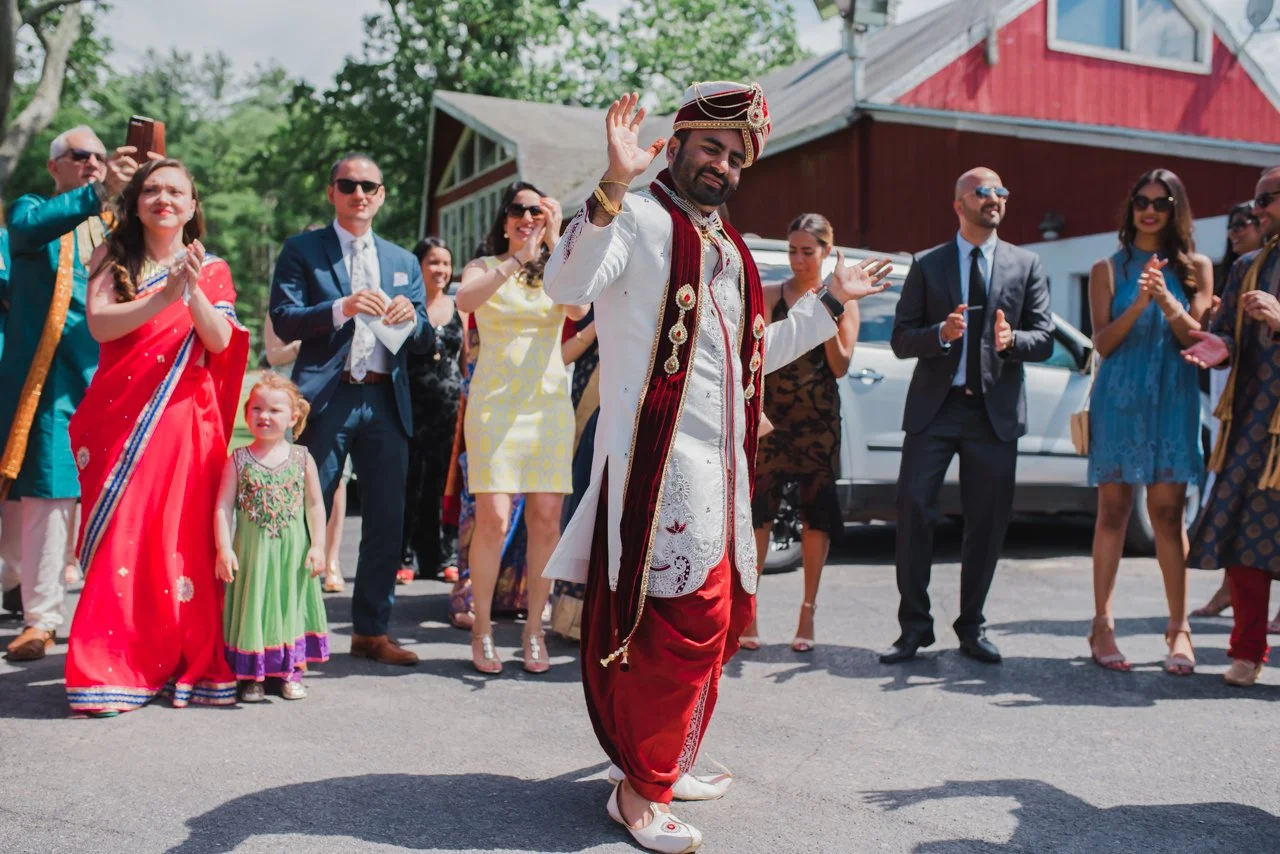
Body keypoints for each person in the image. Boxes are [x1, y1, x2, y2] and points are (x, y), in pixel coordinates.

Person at [543, 85, 892, 853]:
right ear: (677, 145)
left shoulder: (730, 246)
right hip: (659, 468)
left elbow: (752, 355)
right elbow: (563, 287)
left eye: (737, 157)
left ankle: (661, 763)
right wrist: (611, 184)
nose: (724, 164)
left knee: (719, 622)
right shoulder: (636, 216)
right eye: (712, 147)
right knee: (678, 629)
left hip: (722, 469)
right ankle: (640, 795)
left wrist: (831, 300)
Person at [65, 158, 249, 713]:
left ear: (194, 206)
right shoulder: (110, 255)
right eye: (152, 190)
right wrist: (163, 296)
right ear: (135, 201)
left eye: (176, 191)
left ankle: (173, 659)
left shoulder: (211, 268)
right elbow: (100, 323)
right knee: (124, 533)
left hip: (181, 420)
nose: (163, 199)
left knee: (175, 540)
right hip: (119, 417)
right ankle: (108, 667)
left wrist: (190, 291)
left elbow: (219, 342)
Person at [882, 167, 1054, 666]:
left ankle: (972, 627)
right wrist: (940, 334)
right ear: (959, 203)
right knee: (914, 508)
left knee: (987, 522)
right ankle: (914, 627)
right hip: (936, 410)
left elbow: (1042, 339)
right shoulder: (928, 265)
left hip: (992, 414)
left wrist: (1011, 341)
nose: (995, 198)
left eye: (1002, 190)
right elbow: (899, 339)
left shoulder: (1027, 265)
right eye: (983, 192)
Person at [269, 153, 435, 667]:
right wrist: (340, 308)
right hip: (329, 397)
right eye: (348, 185)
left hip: (386, 398)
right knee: (302, 515)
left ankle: (371, 630)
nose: (359, 193)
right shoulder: (302, 249)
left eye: (368, 186)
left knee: (385, 519)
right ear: (332, 192)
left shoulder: (405, 261)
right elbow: (284, 317)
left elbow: (427, 340)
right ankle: (285, 629)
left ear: (382, 195)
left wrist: (412, 319)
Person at [0, 126, 140, 661]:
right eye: (80, 156)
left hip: (110, 377)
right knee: (46, 496)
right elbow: (28, 229)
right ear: (54, 164)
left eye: (101, 159)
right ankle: (41, 618)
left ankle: (99, 613)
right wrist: (97, 195)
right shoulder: (34, 209)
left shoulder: (114, 228)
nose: (94, 164)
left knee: (98, 498)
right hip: (49, 381)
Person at [1085, 170, 1213, 674]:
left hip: (1173, 398)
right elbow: (1103, 343)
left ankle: (1179, 629)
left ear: (1176, 209)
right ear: (1130, 207)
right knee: (1113, 512)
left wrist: (1165, 299)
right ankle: (1102, 624)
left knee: (1167, 514)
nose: (1150, 210)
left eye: (1161, 202)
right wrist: (1139, 302)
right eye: (1141, 200)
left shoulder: (1197, 268)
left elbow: (1198, 339)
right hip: (1119, 400)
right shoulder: (1107, 268)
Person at [454, 182, 584, 675]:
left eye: (537, 209)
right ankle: (483, 628)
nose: (527, 217)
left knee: (547, 518)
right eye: (518, 210)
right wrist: (515, 258)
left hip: (547, 406)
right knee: (493, 517)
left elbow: (578, 310)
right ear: (504, 219)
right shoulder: (485, 267)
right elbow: (466, 301)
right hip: (494, 408)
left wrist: (553, 244)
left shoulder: (557, 270)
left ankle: (533, 631)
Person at [741, 213, 858, 653]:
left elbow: (840, 365)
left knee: (816, 515)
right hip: (771, 417)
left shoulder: (841, 297)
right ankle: (748, 608)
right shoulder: (770, 296)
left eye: (807, 251)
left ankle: (808, 611)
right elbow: (752, 356)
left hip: (818, 420)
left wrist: (826, 307)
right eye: (792, 250)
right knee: (758, 513)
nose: (797, 259)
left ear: (826, 252)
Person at [1183, 166, 1280, 687]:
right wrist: (1218, 350)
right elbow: (1225, 336)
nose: (1257, 209)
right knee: (1248, 542)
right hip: (1253, 424)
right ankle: (1247, 652)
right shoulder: (1247, 266)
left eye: (1266, 199)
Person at [215, 372, 329, 702]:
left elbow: (315, 504)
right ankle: (252, 675)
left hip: (293, 554)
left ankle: (290, 670)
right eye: (256, 409)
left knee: (289, 605)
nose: (264, 416)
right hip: (253, 554)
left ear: (293, 417)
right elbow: (223, 505)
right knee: (256, 603)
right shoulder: (238, 460)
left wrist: (318, 545)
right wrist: (224, 548)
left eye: (274, 410)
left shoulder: (301, 457)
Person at [264, 223, 349, 595]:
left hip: (341, 392)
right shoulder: (285, 301)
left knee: (339, 482)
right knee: (301, 477)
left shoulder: (345, 295)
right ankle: (296, 554)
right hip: (295, 394)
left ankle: (331, 557)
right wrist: (314, 339)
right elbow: (273, 352)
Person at [1190, 201, 1265, 619]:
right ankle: (1230, 597)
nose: (1235, 232)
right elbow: (1218, 342)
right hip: (1238, 410)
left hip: (1267, 414)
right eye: (1231, 225)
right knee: (1240, 509)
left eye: (1245, 224)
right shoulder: (1239, 273)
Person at [443, 313, 530, 631]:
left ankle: (511, 595)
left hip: (534, 404)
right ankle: (468, 594)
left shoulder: (545, 281)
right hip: (490, 404)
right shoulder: (486, 280)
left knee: (525, 506)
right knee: (482, 509)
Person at [398, 237, 463, 585]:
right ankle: (404, 556)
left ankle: (444, 557)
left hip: (450, 409)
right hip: (411, 407)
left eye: (446, 264)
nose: (440, 270)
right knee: (410, 482)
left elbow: (465, 360)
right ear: (418, 266)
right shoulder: (406, 306)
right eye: (433, 262)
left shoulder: (459, 308)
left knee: (445, 484)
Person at [550, 308, 600, 641]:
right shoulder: (588, 291)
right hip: (590, 401)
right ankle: (573, 616)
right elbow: (562, 353)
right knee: (583, 501)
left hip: (640, 401)